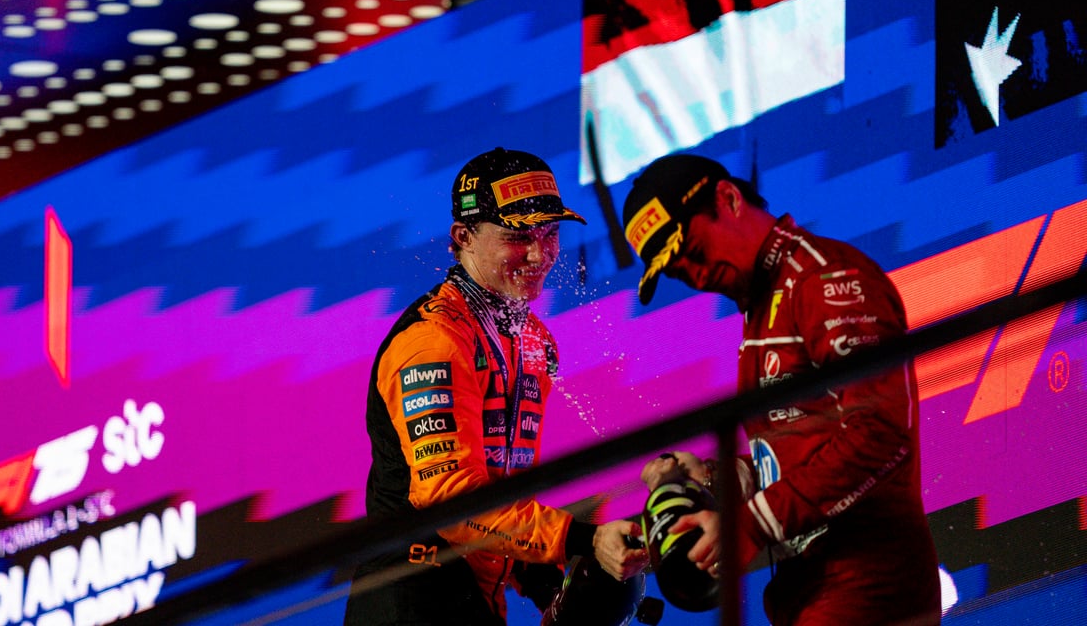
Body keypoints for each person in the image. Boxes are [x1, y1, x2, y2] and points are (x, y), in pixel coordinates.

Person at [622, 153, 941, 625]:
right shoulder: (764, 301)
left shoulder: (824, 278)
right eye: (676, 271)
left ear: (729, 199)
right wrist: (715, 477)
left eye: (693, 249)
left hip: (868, 588)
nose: (696, 274)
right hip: (816, 591)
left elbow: (880, 432)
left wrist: (749, 524)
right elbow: (802, 448)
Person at [344, 147, 648, 626]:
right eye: (517, 236)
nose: (540, 254)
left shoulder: (535, 343)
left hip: (477, 603)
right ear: (463, 237)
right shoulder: (434, 342)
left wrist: (552, 588)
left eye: (550, 233)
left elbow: (499, 497)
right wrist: (583, 540)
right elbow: (453, 504)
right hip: (410, 602)